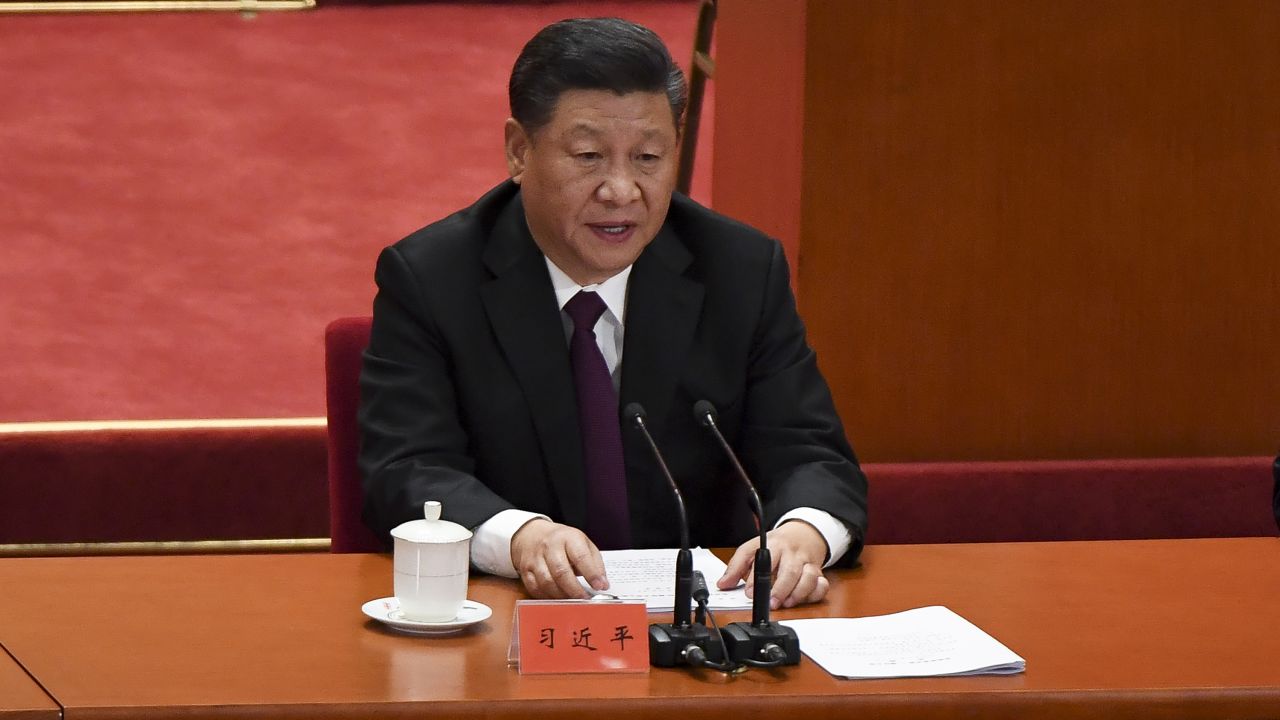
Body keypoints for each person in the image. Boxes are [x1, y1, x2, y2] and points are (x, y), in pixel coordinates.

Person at [358, 17, 867, 610]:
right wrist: (519, 535)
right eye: (589, 156)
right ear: (519, 152)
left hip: (705, 635)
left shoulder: (739, 270)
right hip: (511, 627)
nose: (622, 190)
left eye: (649, 157)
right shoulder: (432, 278)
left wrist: (802, 534)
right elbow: (404, 469)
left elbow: (813, 454)